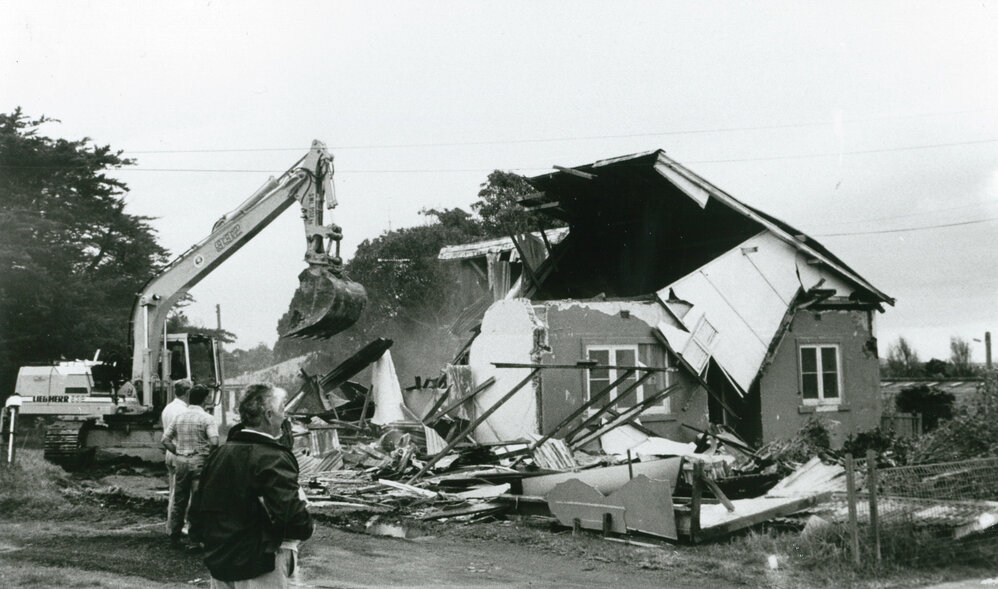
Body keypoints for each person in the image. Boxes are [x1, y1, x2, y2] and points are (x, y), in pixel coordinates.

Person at [191, 383, 312, 588]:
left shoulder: (219, 455)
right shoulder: (273, 457)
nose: (285, 417)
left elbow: (198, 508)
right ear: (269, 415)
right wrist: (306, 526)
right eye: (282, 410)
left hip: (221, 561)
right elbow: (291, 516)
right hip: (261, 564)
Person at [162, 384, 219, 547]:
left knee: (179, 499)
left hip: (181, 461)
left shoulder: (179, 417)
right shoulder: (207, 418)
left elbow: (165, 440)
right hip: (199, 461)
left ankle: (174, 536)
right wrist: (209, 456)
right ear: (204, 399)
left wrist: (179, 452)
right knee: (197, 500)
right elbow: (214, 441)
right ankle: (195, 539)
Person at [162, 379, 192, 536]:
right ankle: (178, 526)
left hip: (170, 452)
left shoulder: (168, 408)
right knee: (181, 494)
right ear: (187, 392)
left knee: (174, 492)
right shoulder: (182, 411)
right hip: (179, 452)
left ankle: (171, 525)